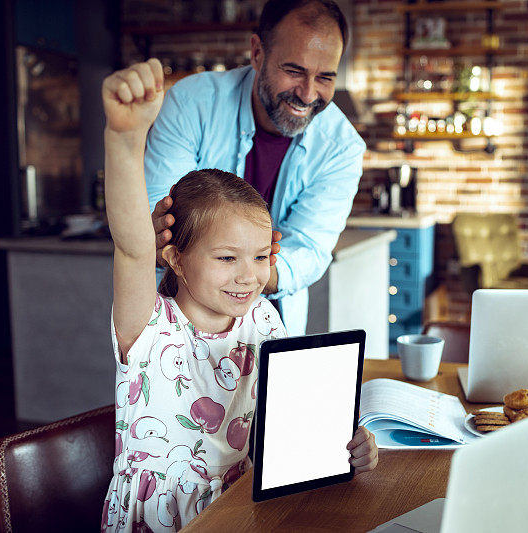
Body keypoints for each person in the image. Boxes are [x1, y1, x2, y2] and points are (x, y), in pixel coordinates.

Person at [100, 58, 377, 531]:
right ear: (174, 256)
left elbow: (290, 421)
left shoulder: (264, 318)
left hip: (244, 510)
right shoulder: (147, 325)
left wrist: (346, 442)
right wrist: (124, 138)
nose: (248, 276)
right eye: (227, 258)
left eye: (259, 256)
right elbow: (130, 246)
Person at [144, 0, 365, 336]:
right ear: (257, 53)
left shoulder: (342, 148)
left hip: (270, 327)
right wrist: (255, 261)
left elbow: (308, 249)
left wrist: (243, 275)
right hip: (175, 324)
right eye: (294, 71)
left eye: (325, 77)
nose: (307, 94)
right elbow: (160, 223)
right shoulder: (190, 104)